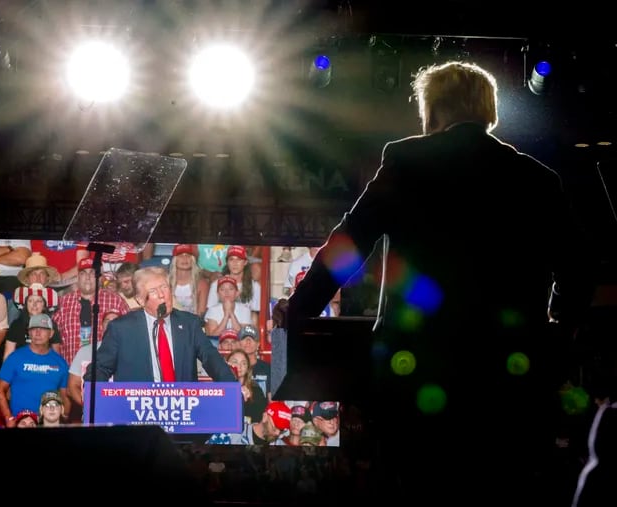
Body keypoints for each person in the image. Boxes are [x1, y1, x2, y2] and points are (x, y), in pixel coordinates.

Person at [285, 61, 595, 506]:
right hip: (506, 381)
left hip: (416, 372)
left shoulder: (407, 161)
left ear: (434, 110)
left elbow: (350, 245)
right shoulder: (537, 178)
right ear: (487, 111)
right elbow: (578, 269)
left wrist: (301, 309)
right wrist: (557, 329)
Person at [85, 266, 236, 382]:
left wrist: (233, 387)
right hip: (136, 412)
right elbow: (100, 368)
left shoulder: (189, 323)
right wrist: (91, 389)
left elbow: (211, 358)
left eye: (164, 287)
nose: (162, 294)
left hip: (182, 410)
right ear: (140, 300)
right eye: (154, 290)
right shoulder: (121, 328)